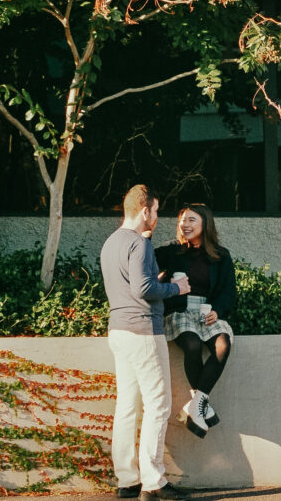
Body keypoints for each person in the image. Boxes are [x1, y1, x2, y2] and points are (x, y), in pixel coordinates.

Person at [100, 185, 191, 501]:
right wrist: (176, 288)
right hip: (142, 331)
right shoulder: (139, 243)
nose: (157, 217)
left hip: (119, 331)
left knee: (127, 405)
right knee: (158, 404)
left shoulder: (111, 243)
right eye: (155, 211)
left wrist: (155, 282)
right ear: (144, 211)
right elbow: (143, 290)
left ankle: (127, 481)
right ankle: (154, 483)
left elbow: (131, 286)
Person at [155, 204, 236, 439]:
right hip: (179, 311)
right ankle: (202, 407)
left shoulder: (221, 255)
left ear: (205, 224)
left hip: (207, 312)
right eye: (182, 220)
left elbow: (228, 291)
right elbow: (144, 262)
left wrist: (218, 311)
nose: (185, 225)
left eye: (191, 220)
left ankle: (196, 403)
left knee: (223, 344)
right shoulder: (172, 250)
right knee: (191, 344)